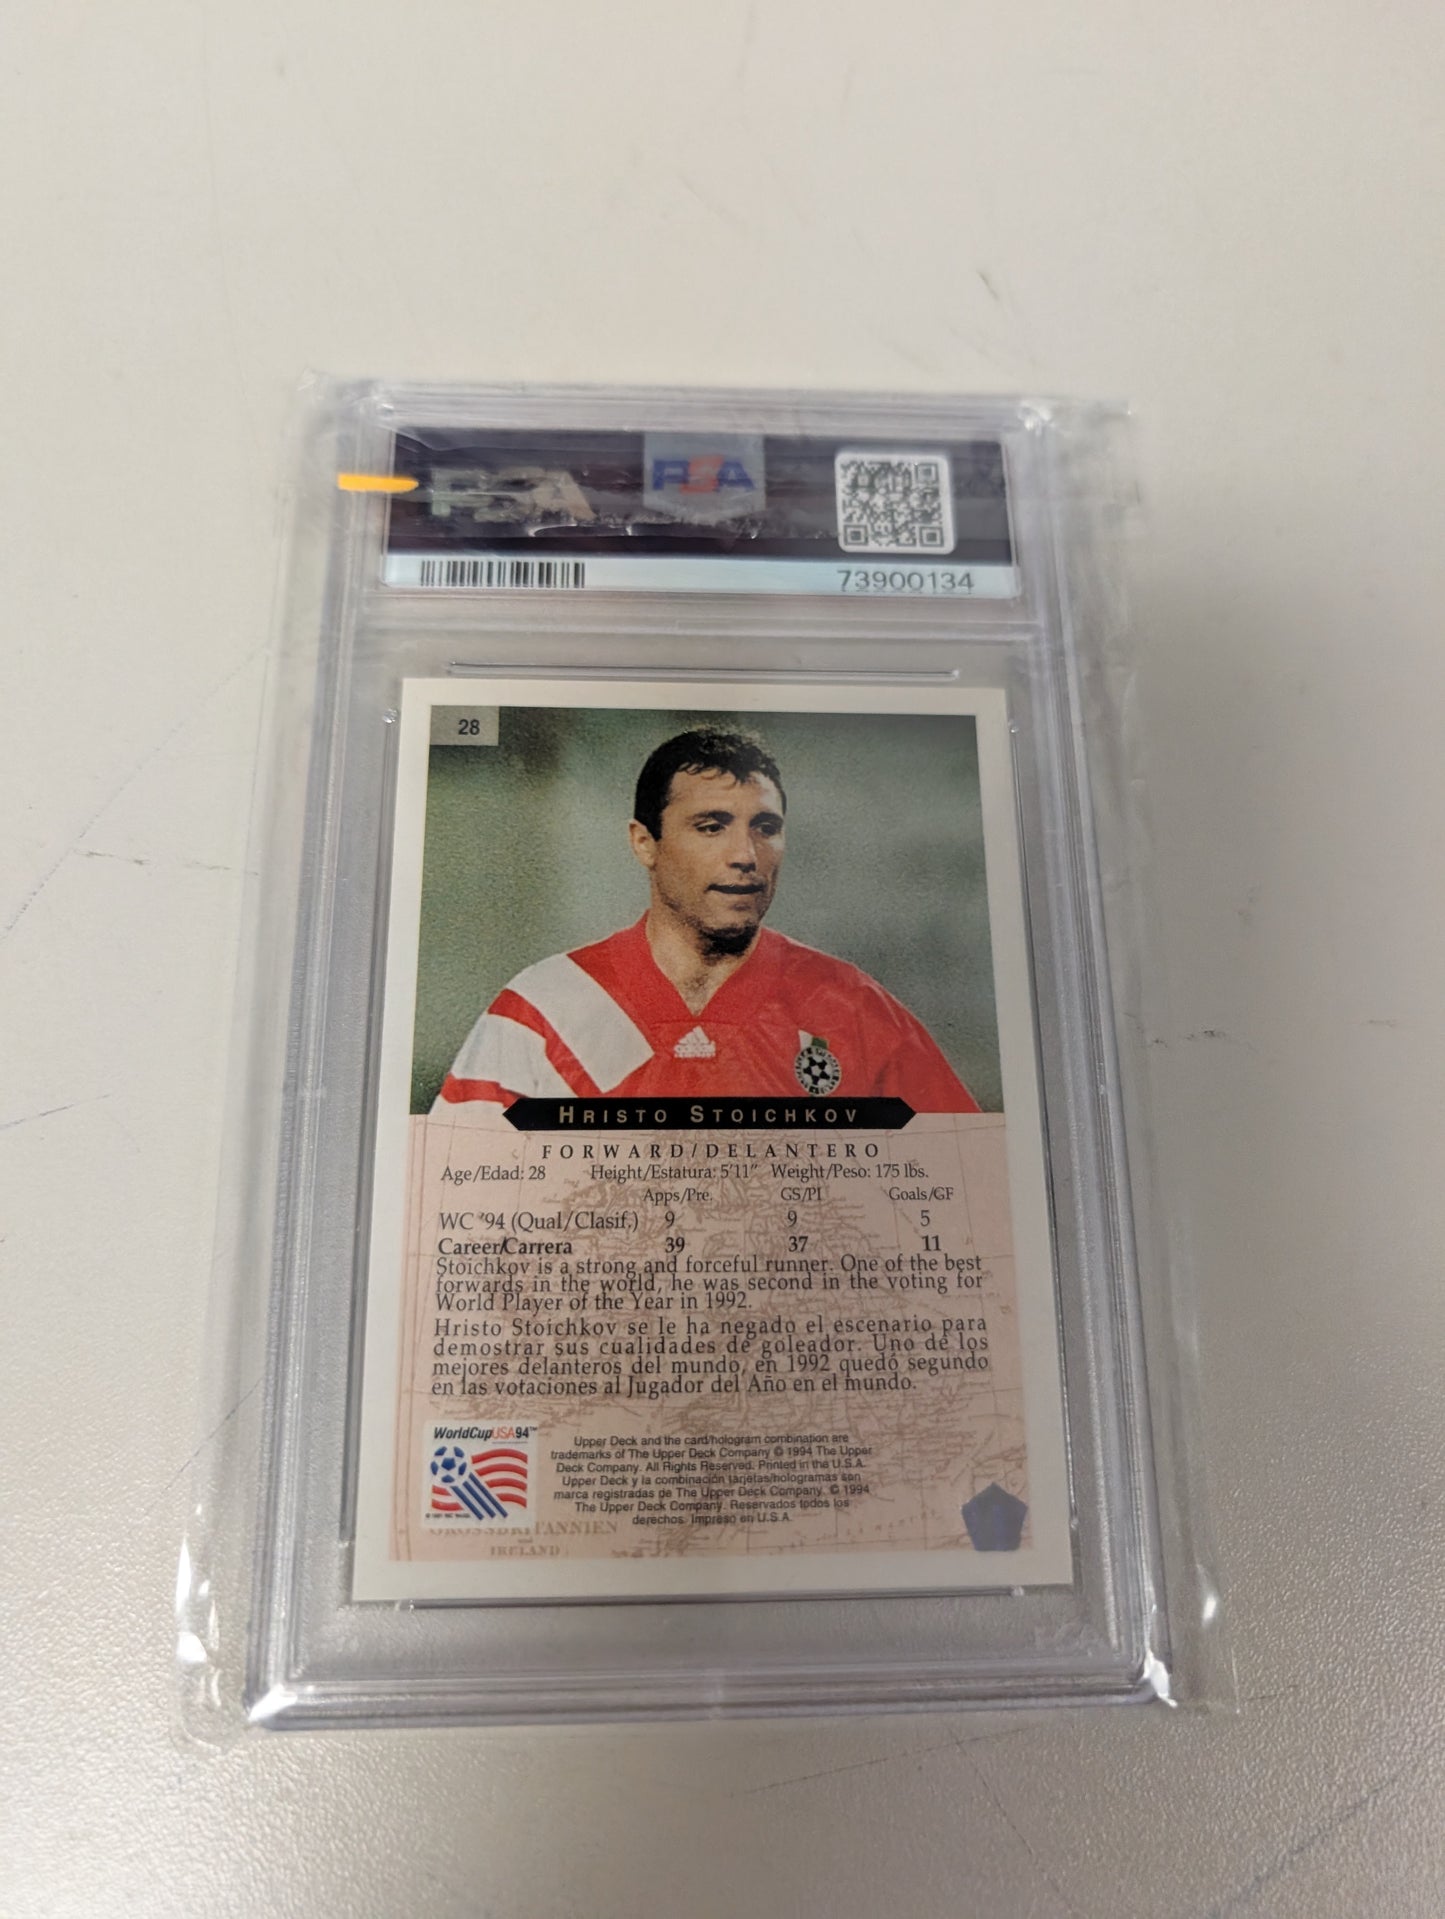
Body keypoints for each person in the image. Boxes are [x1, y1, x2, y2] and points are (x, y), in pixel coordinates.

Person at [433, 728, 979, 1115]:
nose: (746, 854)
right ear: (645, 843)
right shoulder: (542, 1013)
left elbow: (968, 1196)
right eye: (711, 826)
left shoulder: (854, 1010)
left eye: (766, 827)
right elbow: (459, 1207)